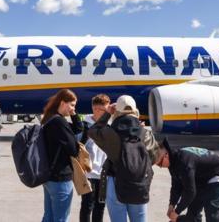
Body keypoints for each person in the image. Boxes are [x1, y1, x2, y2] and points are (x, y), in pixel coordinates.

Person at [88, 95, 159, 222]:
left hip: (115, 183)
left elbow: (93, 131)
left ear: (116, 111)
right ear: (135, 111)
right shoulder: (145, 133)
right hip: (139, 184)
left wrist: (107, 113)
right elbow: (155, 157)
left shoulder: (110, 133)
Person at [156, 138, 219, 222]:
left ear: (166, 155)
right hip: (200, 177)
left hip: (217, 175)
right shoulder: (172, 162)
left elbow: (190, 192)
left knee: (211, 211)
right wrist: (172, 204)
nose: (160, 167)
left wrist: (177, 211)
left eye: (160, 163)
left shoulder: (185, 163)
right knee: (192, 215)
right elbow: (176, 186)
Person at [41, 89, 83, 222]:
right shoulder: (59, 122)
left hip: (49, 176)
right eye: (72, 105)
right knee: (61, 218)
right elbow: (73, 150)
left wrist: (73, 114)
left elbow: (77, 128)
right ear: (62, 103)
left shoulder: (50, 119)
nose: (73, 108)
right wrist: (78, 145)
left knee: (49, 217)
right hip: (60, 178)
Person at [79, 94, 110, 222]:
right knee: (87, 206)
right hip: (88, 173)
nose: (101, 113)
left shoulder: (110, 125)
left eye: (104, 110)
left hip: (105, 174)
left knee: (100, 206)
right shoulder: (85, 125)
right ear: (93, 108)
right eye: (98, 109)